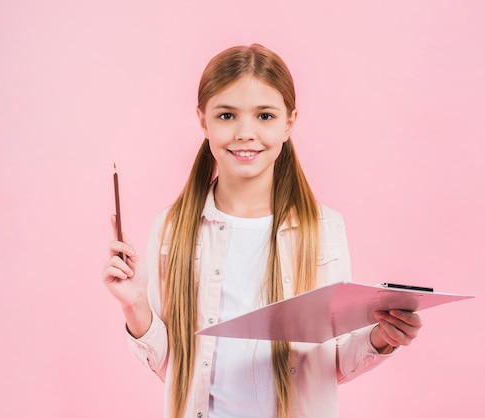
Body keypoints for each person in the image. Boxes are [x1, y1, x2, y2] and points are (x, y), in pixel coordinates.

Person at [102, 43, 422, 418]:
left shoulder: (324, 228)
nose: (245, 133)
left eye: (265, 116)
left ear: (289, 122)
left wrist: (381, 337)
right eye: (226, 116)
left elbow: (331, 361)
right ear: (203, 120)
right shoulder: (173, 227)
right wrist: (134, 304)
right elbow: (171, 367)